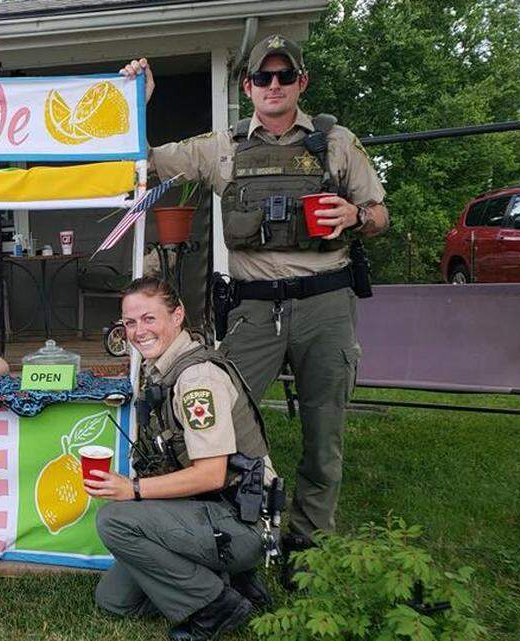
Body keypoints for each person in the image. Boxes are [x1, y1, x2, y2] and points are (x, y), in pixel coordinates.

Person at [120, 34, 390, 572]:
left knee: (324, 433)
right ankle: (230, 528)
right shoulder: (224, 146)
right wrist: (137, 103)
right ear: (247, 87)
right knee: (225, 423)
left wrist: (356, 218)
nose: (273, 86)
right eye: (262, 77)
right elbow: (144, 161)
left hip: (325, 304)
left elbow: (381, 213)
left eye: (283, 76)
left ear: (300, 83)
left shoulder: (336, 143)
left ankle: (308, 547)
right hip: (253, 309)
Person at [86, 277, 276, 641]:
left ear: (177, 316)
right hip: (205, 509)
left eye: (149, 319)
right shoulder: (159, 367)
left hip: (241, 516)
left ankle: (216, 605)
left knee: (114, 520)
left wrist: (133, 489)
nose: (138, 331)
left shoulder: (196, 379)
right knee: (114, 601)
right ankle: (230, 579)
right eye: (129, 322)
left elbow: (211, 474)